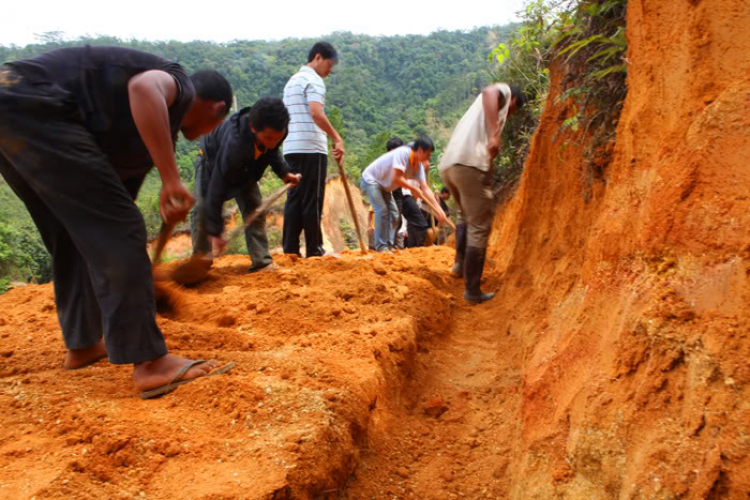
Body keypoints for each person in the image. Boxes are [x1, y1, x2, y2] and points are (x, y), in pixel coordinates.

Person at [0, 45, 235, 398]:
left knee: (72, 233)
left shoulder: (137, 135)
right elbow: (143, 88)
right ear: (217, 110)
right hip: (38, 103)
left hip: (13, 106)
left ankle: (83, 344)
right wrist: (171, 178)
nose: (205, 134)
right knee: (123, 229)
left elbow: (110, 204)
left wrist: (159, 207)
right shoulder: (179, 83)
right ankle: (151, 363)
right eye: (214, 125)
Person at [189, 96, 301, 271]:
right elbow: (216, 188)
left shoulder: (277, 132)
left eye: (277, 138)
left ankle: (261, 262)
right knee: (202, 207)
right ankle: (200, 263)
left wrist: (285, 173)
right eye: (269, 137)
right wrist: (216, 231)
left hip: (248, 166)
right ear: (253, 128)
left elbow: (272, 150)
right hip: (212, 159)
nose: (273, 142)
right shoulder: (234, 144)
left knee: (254, 206)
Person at [439, 82, 524, 303]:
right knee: (480, 225)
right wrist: (495, 134)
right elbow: (489, 92)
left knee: (466, 217)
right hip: (468, 166)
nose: (509, 115)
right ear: (513, 101)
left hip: (450, 167)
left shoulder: (474, 114)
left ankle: (459, 266)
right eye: (512, 111)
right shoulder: (504, 90)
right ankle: (472, 290)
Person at [281, 41, 344, 258]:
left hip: (291, 146)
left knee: (295, 198)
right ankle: (314, 249)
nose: (330, 70)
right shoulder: (313, 80)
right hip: (311, 148)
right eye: (329, 64)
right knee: (312, 199)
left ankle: (289, 249)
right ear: (318, 57)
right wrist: (336, 137)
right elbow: (316, 113)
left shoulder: (292, 82)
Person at [360, 137, 447, 252]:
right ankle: (381, 247)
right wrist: (412, 188)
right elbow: (396, 178)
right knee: (382, 210)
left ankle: (389, 246)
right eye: (428, 154)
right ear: (420, 150)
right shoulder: (403, 153)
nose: (429, 158)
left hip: (384, 187)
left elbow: (425, 188)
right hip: (371, 180)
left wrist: (439, 210)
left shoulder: (418, 167)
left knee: (395, 214)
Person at [385, 136, 406, 249]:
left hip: (398, 196)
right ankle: (386, 247)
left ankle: (390, 246)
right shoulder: (384, 163)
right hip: (385, 195)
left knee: (398, 221)